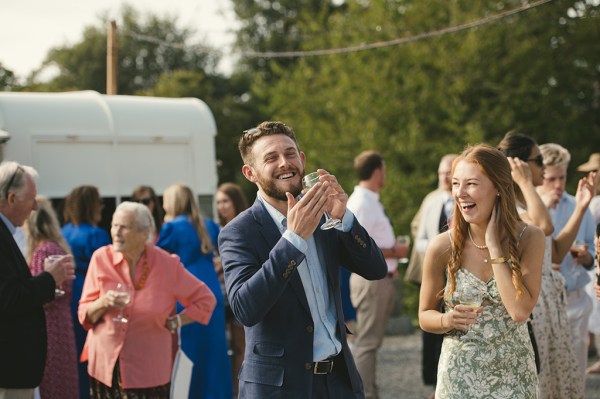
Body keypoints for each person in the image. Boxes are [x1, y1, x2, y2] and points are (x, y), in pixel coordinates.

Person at [218, 121, 387, 398]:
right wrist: (293, 240)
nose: (285, 163)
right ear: (250, 173)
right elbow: (245, 309)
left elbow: (376, 268)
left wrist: (343, 218)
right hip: (280, 389)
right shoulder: (238, 232)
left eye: (290, 153)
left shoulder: (323, 214)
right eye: (271, 158)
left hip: (340, 382)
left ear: (302, 159)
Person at [419, 144, 544, 398]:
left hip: (515, 376)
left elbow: (520, 311)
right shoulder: (442, 246)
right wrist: (447, 320)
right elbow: (424, 316)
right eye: (456, 184)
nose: (460, 193)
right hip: (459, 377)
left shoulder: (530, 238)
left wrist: (496, 249)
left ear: (498, 187)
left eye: (471, 184)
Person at [78, 201, 216, 398]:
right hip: (106, 367)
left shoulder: (167, 264)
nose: (116, 232)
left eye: (124, 227)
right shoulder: (100, 259)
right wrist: (103, 303)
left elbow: (205, 300)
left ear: (144, 234)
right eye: (114, 225)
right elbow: (84, 314)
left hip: (149, 371)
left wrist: (177, 321)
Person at [498, 132, 596, 398]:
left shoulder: (526, 202)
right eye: (538, 160)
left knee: (558, 383)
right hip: (533, 306)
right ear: (519, 165)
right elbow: (544, 226)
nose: (542, 166)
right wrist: (525, 182)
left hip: (550, 303)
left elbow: (554, 252)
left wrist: (581, 207)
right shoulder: (508, 205)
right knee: (539, 384)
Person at [0, 161, 75, 399]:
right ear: (11, 199)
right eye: (31, 199)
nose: (34, 207)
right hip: (9, 371)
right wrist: (49, 278)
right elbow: (10, 297)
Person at [158, 183, 232, 399]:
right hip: (212, 291)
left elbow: (157, 259)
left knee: (190, 354)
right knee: (215, 354)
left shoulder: (171, 228)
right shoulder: (207, 224)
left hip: (188, 293)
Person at [346, 150, 408, 399]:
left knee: (371, 342)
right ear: (378, 171)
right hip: (371, 280)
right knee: (367, 344)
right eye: (385, 169)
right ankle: (365, 394)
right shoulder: (361, 202)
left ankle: (369, 392)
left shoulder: (369, 199)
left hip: (378, 279)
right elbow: (353, 243)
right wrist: (395, 250)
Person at [537, 143, 596, 381]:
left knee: (574, 377)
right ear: (540, 176)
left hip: (574, 301)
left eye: (562, 177)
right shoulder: (526, 210)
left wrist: (588, 257)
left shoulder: (579, 206)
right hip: (540, 303)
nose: (559, 185)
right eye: (552, 179)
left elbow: (593, 247)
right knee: (543, 378)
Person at [408, 153, 457, 396]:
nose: (445, 177)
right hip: (432, 268)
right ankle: (432, 381)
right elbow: (417, 226)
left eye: (449, 172)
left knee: (452, 325)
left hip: (458, 273)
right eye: (441, 173)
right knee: (429, 324)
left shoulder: (467, 198)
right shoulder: (431, 199)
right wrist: (430, 250)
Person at [24, 195, 79, 399]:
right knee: (65, 384)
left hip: (49, 328)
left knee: (52, 385)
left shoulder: (42, 251)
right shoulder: (58, 247)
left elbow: (42, 294)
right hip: (63, 324)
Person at [61, 185, 111, 399]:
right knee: (92, 355)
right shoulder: (97, 235)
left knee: (72, 354)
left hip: (69, 296)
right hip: (93, 295)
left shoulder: (63, 232)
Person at [215, 182, 249, 398]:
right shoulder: (215, 228)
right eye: (218, 202)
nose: (221, 206)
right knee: (221, 348)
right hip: (219, 294)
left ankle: (240, 392)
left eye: (225, 201)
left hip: (238, 293)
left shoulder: (246, 225)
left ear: (235, 201)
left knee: (240, 348)